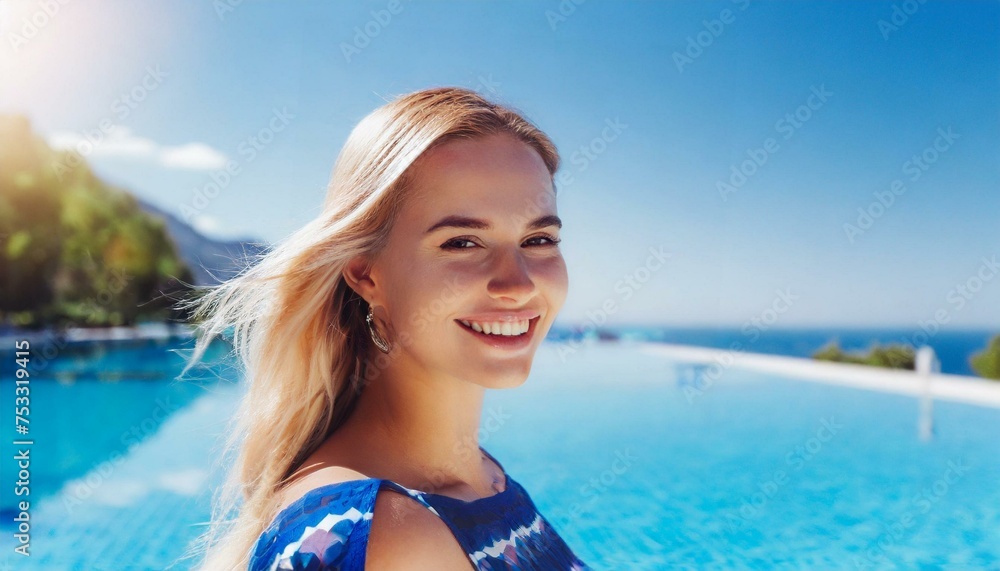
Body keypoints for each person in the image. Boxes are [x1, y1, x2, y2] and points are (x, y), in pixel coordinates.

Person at [179, 87, 593, 570]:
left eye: (538, 238)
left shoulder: (480, 478)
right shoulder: (383, 538)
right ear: (365, 273)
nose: (517, 284)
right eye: (462, 242)